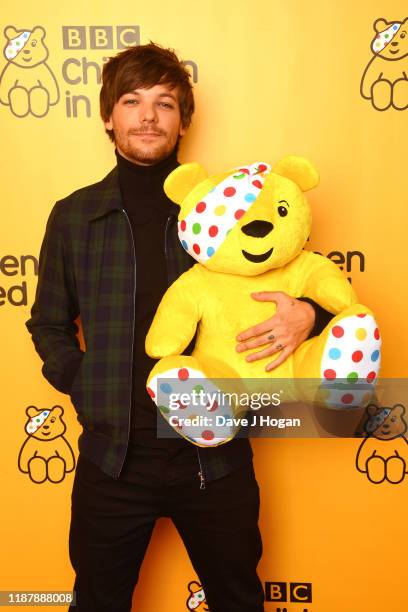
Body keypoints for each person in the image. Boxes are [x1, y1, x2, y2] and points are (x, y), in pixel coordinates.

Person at [25, 43, 332, 612]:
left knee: (238, 599)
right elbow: (47, 323)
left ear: (184, 119)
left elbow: (325, 296)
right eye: (132, 100)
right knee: (97, 601)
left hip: (213, 459)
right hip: (112, 460)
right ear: (108, 117)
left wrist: (310, 314)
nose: (148, 115)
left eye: (165, 102)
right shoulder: (74, 215)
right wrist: (83, 380)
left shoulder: (233, 209)